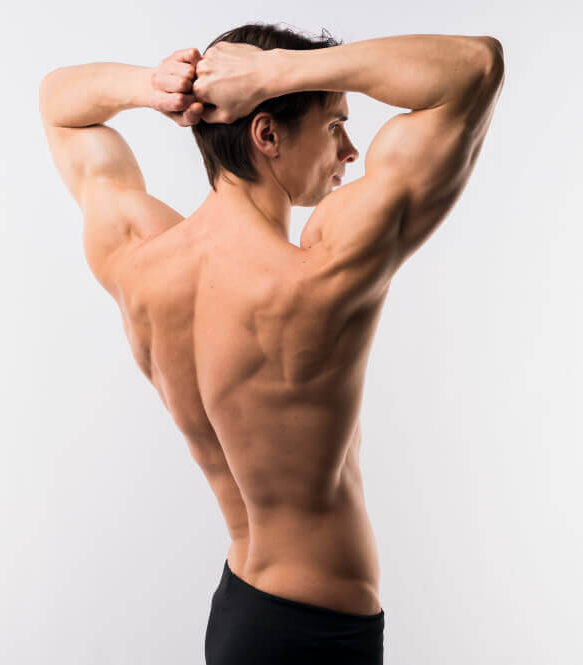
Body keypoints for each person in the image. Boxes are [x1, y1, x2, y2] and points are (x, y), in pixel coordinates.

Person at [39, 22, 504, 664]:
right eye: (335, 124)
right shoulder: (320, 273)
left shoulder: (137, 254)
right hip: (319, 636)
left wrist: (155, 87)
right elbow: (475, 67)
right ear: (267, 135)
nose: (350, 151)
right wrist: (279, 72)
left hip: (240, 611)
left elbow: (59, 105)